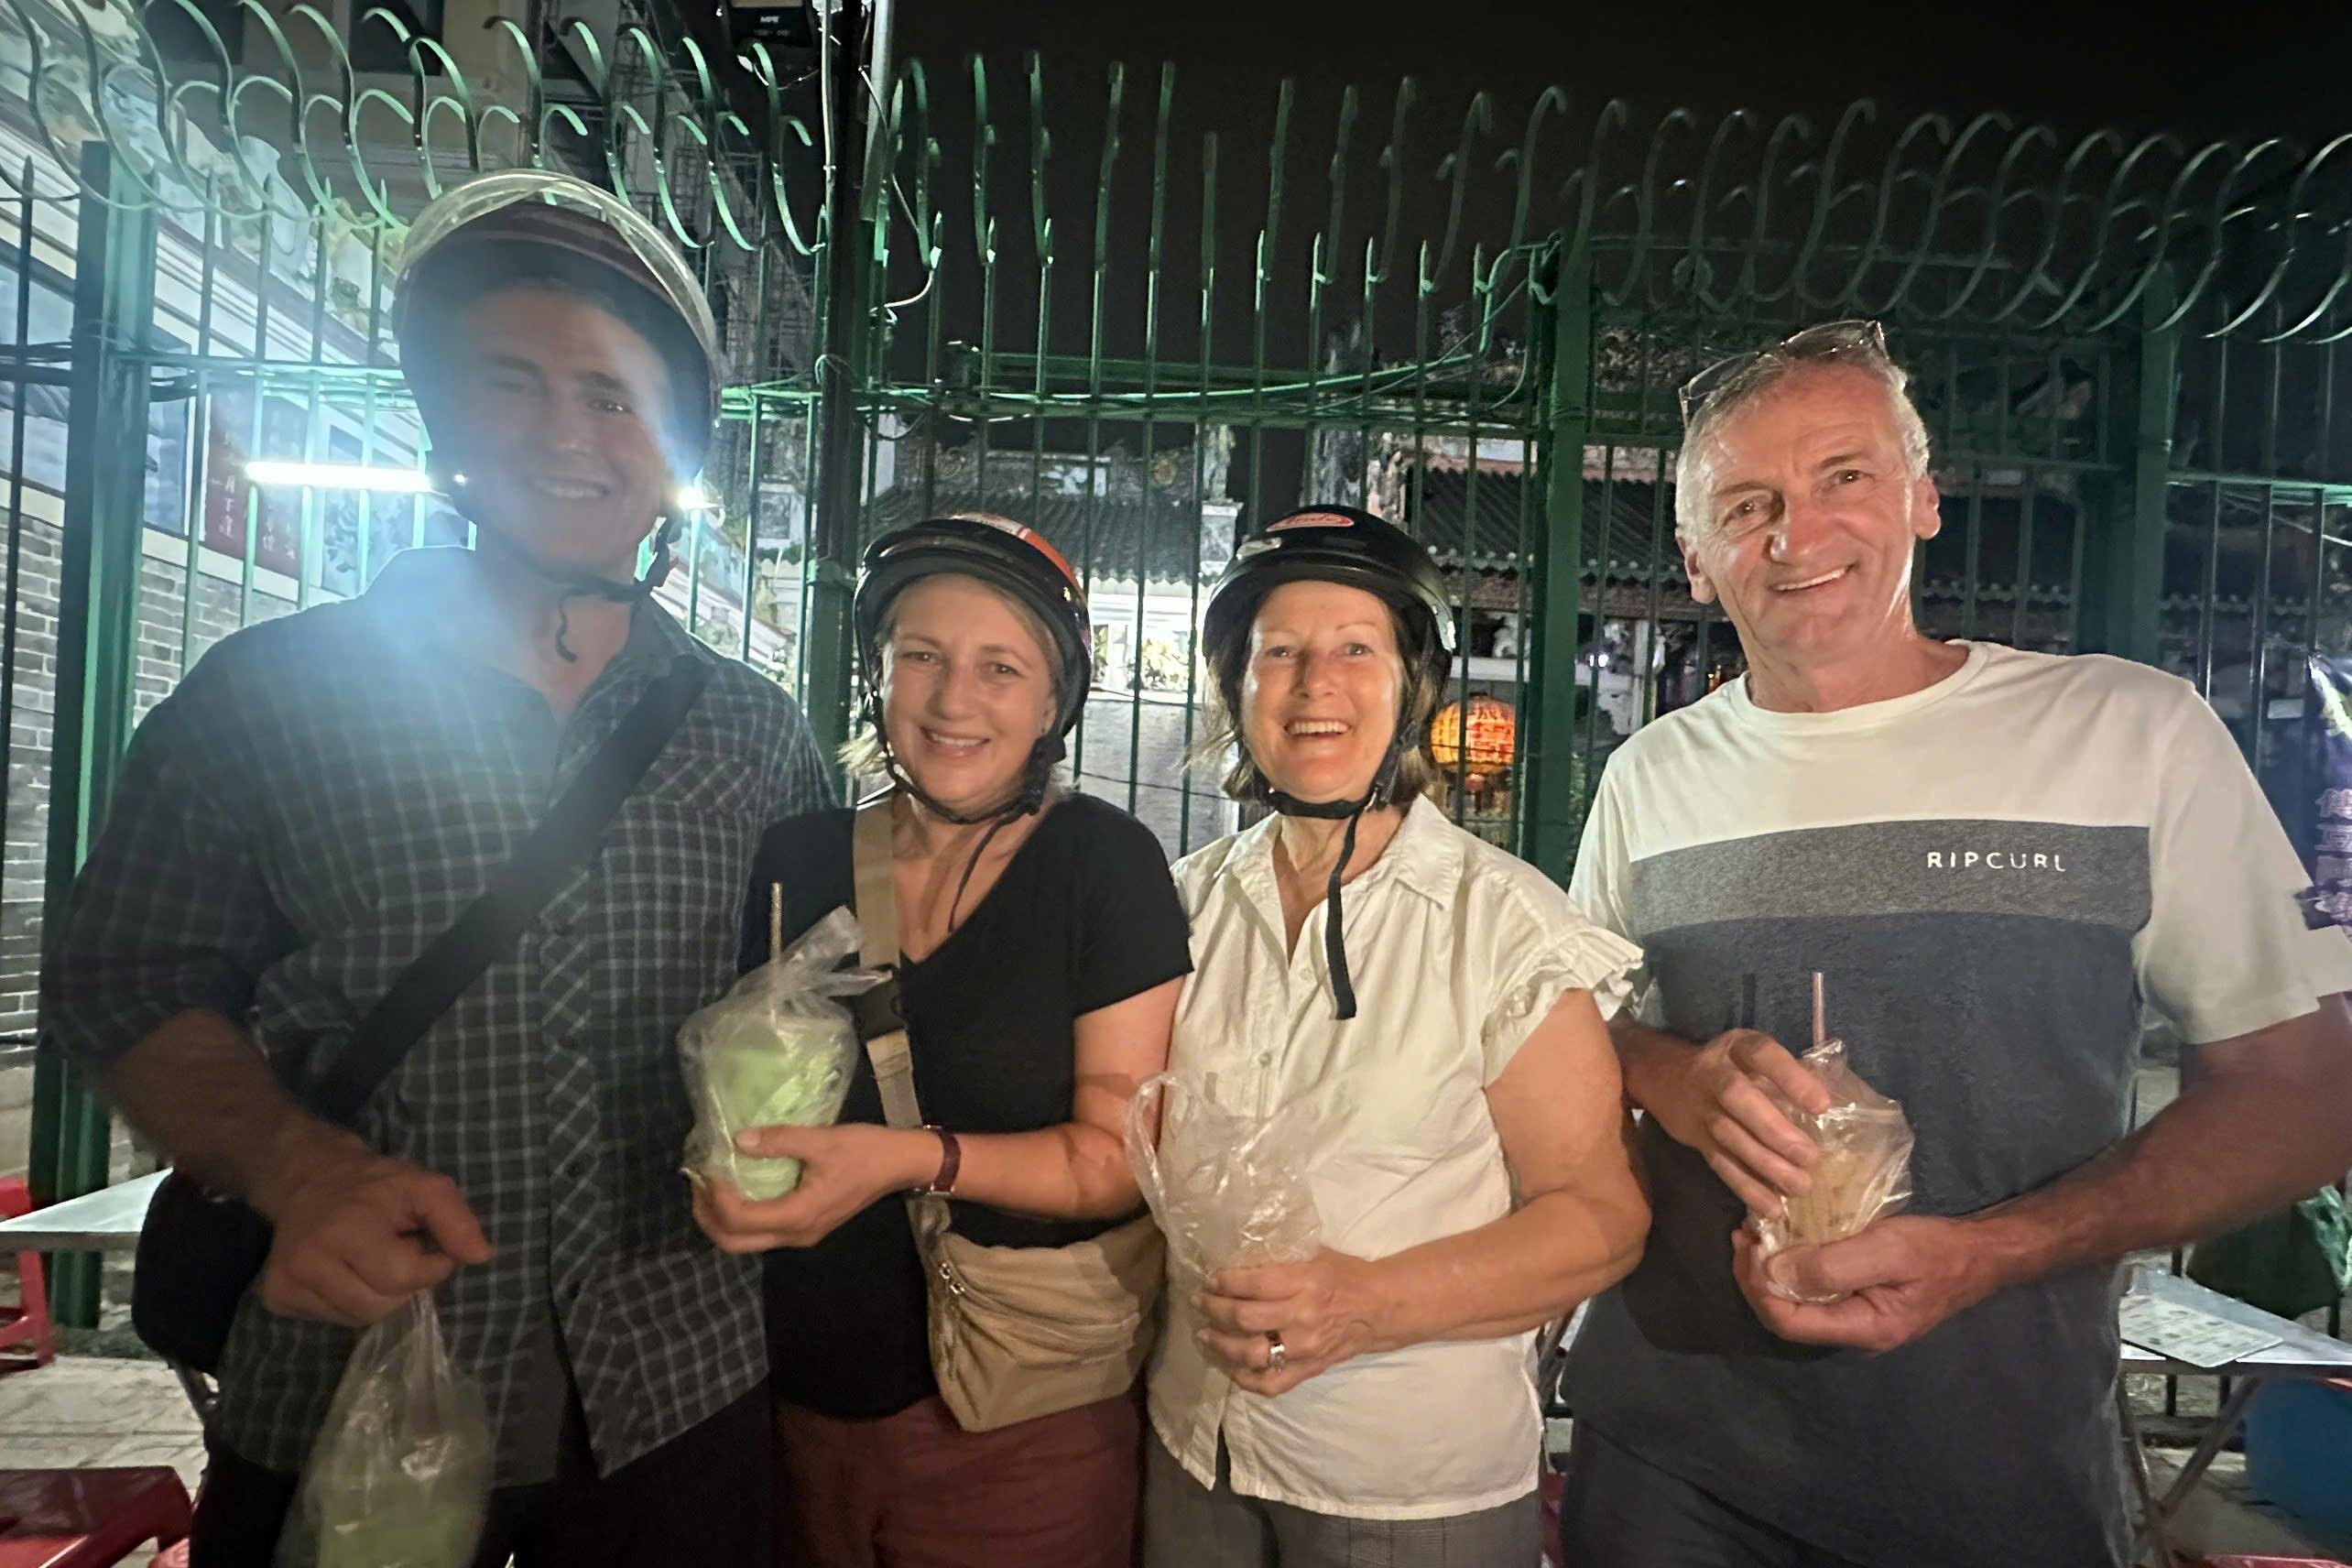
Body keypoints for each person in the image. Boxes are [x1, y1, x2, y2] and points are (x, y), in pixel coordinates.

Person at [40, 169, 833, 1565]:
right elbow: (125, 982)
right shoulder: (266, 699)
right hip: (353, 1384)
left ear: (671, 448)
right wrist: (295, 1167)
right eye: (511, 383)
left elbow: (814, 999)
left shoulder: (755, 733)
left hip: (679, 1382)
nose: (565, 432)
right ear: (443, 416)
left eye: (612, 396)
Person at [1557, 320, 2352, 1568]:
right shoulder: (1651, 775)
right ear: (1696, 558)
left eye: (1845, 476)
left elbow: (2307, 1094)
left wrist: (1991, 1253)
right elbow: (1572, 1033)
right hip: (1670, 1455)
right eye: (1748, 503)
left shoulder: (2127, 732)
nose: (1797, 533)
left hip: (1999, 1458)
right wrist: (1675, 1077)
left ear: (1923, 499)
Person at [1142, 505, 1651, 1566]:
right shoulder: (1177, 906)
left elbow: (1601, 1219)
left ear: (1412, 685)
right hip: (1191, 1452)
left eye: (1355, 650)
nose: (1313, 684)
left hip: (1407, 1490)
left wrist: (1365, 1303)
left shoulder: (1502, 925)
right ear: (1237, 685)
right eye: (1278, 652)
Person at [691, 514, 1191, 1568]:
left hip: (1018, 1423)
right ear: (877, 675)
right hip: (794, 1402)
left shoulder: (1103, 866)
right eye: (921, 655)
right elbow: (748, 1080)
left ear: (1053, 702)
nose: (954, 698)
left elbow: (1118, 1158)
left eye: (1000, 667)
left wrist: (907, 1159)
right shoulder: (797, 857)